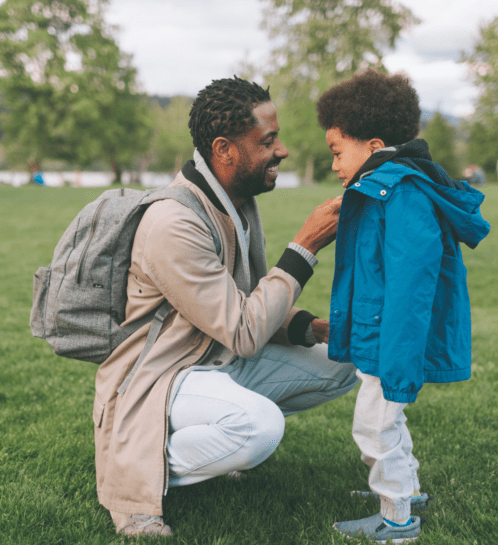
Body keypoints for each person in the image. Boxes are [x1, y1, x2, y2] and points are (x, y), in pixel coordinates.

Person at [93, 76, 359, 537]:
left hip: (214, 358)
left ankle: (210, 441)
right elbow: (244, 330)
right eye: (268, 141)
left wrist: (315, 329)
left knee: (344, 362)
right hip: (161, 376)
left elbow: (252, 302)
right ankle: (134, 461)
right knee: (261, 428)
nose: (283, 151)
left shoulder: (234, 202)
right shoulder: (174, 221)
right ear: (225, 149)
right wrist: (305, 247)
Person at [315, 69, 490, 543]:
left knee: (373, 427)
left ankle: (397, 519)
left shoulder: (401, 193)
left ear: (373, 146)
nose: (334, 165)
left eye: (337, 152)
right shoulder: (381, 189)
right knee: (387, 420)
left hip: (391, 340)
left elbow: (412, 288)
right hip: (379, 334)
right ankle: (406, 491)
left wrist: (399, 358)